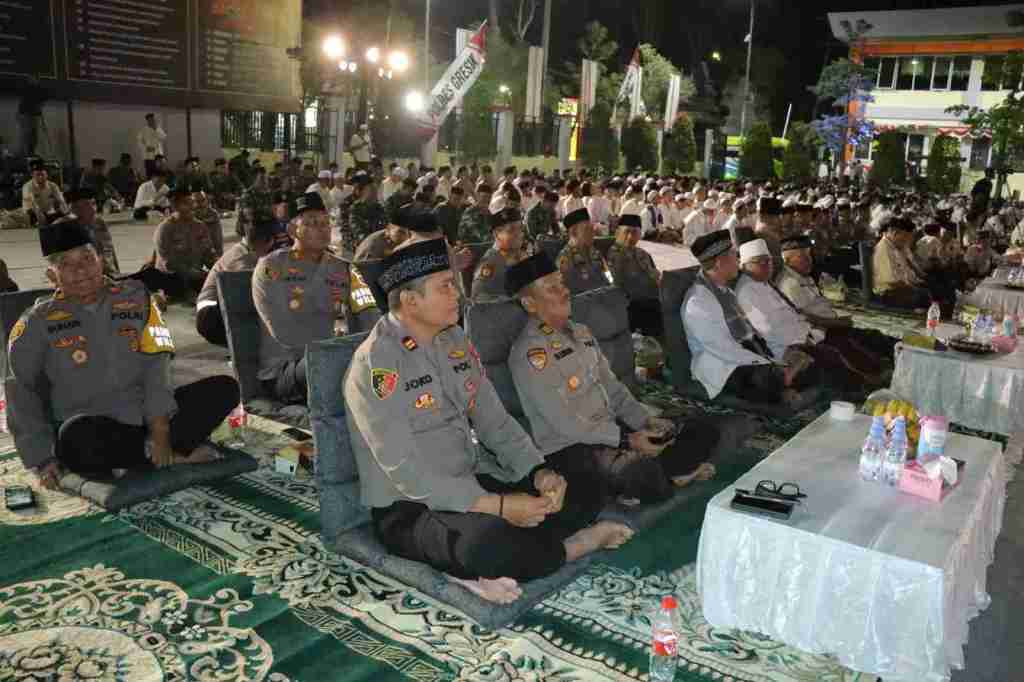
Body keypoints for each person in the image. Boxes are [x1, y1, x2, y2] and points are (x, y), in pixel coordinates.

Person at [344, 238, 632, 604]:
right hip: (411, 506)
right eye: (445, 286)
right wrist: (497, 506)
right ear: (410, 301)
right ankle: (574, 545)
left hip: (471, 481)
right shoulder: (377, 364)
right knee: (488, 542)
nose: (457, 294)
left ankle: (499, 561)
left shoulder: (455, 341)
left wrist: (538, 473)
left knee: (581, 489)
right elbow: (409, 474)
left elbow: (495, 421)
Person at [7, 222, 237, 488]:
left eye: (86, 258)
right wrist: (42, 458)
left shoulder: (137, 298)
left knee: (225, 388)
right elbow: (20, 389)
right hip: (95, 427)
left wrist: (159, 428)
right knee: (75, 439)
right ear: (52, 275)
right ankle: (169, 456)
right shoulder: (37, 321)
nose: (80, 269)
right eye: (66, 264)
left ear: (101, 261)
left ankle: (142, 456)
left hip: (149, 417)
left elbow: (157, 362)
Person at [507, 253, 717, 503]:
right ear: (530, 304)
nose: (564, 291)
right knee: (641, 474)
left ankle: (657, 475)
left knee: (702, 427)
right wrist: (627, 440)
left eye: (561, 283)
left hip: (614, 431)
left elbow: (613, 389)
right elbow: (564, 423)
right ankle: (664, 474)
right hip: (573, 447)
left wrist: (645, 422)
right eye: (552, 289)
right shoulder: (529, 354)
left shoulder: (581, 332)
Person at [682, 230, 812, 403]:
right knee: (766, 377)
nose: (738, 261)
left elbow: (751, 337)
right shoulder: (698, 301)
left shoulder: (726, 292)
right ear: (720, 263)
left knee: (803, 360)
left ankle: (784, 384)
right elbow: (723, 348)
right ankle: (783, 386)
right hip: (723, 365)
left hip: (745, 356)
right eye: (734, 256)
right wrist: (770, 363)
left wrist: (782, 355)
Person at [735, 239, 878, 394]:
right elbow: (767, 331)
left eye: (768, 261)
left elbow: (792, 313)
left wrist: (809, 331)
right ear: (744, 267)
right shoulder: (747, 291)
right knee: (831, 355)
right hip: (785, 347)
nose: (766, 265)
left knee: (843, 340)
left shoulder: (764, 283)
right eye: (758, 262)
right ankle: (863, 386)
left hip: (805, 333)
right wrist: (803, 338)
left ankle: (871, 374)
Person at [252, 192, 350, 403]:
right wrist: (337, 342)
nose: (322, 229)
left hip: (336, 357)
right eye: (312, 223)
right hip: (287, 370)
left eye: (326, 223)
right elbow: (284, 332)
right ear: (292, 230)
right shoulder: (272, 267)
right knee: (330, 362)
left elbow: (362, 317)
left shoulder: (341, 267)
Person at [777, 235, 896, 365]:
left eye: (809, 256)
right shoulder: (790, 284)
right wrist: (837, 322)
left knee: (875, 337)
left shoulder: (803, 277)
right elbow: (805, 319)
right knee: (867, 343)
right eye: (802, 257)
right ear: (787, 261)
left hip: (830, 326)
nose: (809, 260)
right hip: (822, 335)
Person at [195, 219, 276, 347]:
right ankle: (240, 350)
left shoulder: (245, 251)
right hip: (210, 317)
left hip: (213, 312)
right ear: (267, 242)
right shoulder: (241, 260)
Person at [152, 188, 218, 299]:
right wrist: (191, 272)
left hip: (195, 275)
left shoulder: (200, 227)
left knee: (218, 282)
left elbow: (209, 254)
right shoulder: (165, 229)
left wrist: (218, 267)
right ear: (174, 206)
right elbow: (168, 263)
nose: (193, 206)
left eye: (192, 202)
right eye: (186, 203)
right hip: (171, 277)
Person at [606, 214, 663, 337]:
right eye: (627, 232)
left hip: (651, 302)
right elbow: (614, 284)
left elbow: (655, 276)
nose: (631, 236)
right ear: (617, 232)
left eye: (635, 232)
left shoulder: (643, 254)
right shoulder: (612, 256)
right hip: (630, 305)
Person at [872, 218, 932, 309]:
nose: (906, 242)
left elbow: (908, 273)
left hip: (902, 287)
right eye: (904, 238)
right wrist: (913, 287)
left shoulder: (898, 246)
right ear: (895, 233)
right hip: (887, 293)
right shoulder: (883, 249)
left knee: (931, 288)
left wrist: (918, 283)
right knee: (922, 296)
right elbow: (892, 282)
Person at [471, 208, 526, 303]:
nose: (519, 234)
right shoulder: (491, 262)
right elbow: (477, 298)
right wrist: (516, 300)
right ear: (497, 234)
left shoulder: (518, 254)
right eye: (511, 230)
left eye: (520, 228)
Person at [63, 188, 120, 276]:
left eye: (93, 204)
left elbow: (109, 251)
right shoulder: (62, 229)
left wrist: (117, 274)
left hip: (104, 274)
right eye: (86, 205)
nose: (93, 209)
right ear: (75, 210)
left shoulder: (99, 222)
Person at [557, 208, 609, 295]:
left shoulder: (596, 253)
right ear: (573, 232)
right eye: (587, 229)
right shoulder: (565, 259)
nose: (593, 233)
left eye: (592, 229)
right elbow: (564, 294)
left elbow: (608, 277)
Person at [22, 160, 68, 227]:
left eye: (42, 174)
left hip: (49, 213)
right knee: (33, 215)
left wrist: (65, 210)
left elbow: (61, 200)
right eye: (37, 175)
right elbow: (33, 203)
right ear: (32, 175)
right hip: (33, 213)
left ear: (46, 175)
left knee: (65, 212)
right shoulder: (27, 186)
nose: (40, 177)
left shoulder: (53, 186)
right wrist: (39, 214)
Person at [237, 166, 273, 239]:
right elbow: (248, 218)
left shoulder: (268, 193)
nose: (265, 181)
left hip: (266, 224)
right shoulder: (247, 195)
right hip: (253, 226)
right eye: (261, 179)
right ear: (254, 180)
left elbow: (272, 212)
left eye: (266, 178)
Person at [192, 188, 224, 256]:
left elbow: (217, 237)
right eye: (197, 201)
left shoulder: (213, 214)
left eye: (203, 200)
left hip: (212, 250)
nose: (200, 203)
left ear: (207, 200)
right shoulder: (190, 216)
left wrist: (218, 253)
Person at [137, 113, 167, 178]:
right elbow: (139, 142)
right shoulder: (143, 130)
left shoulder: (158, 128)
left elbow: (163, 137)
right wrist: (146, 148)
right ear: (147, 120)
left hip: (159, 156)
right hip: (148, 156)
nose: (152, 121)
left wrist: (156, 129)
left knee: (160, 173)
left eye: (153, 119)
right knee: (150, 174)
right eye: (150, 120)